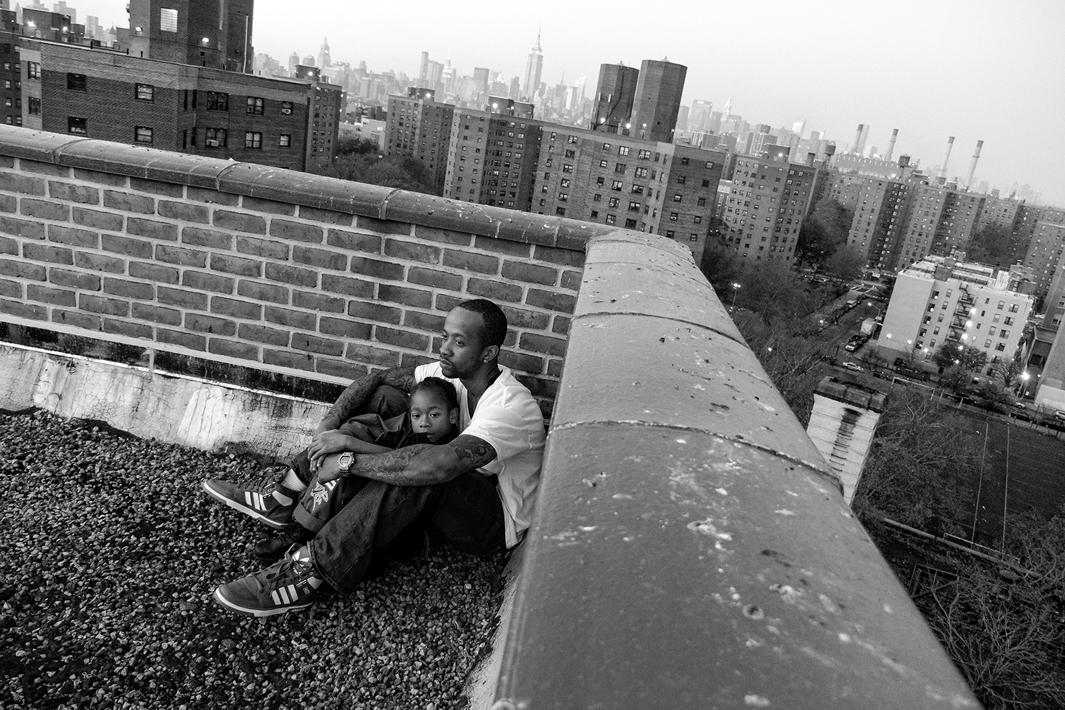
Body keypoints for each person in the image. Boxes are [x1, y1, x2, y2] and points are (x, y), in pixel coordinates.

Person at [202, 299, 546, 617]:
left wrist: (348, 460)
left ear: (488, 353)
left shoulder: (510, 405)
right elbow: (378, 379)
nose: (444, 348)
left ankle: (308, 572)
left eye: (459, 342)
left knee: (422, 471)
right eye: (444, 336)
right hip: (446, 490)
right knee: (388, 400)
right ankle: (287, 496)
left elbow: (437, 465)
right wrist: (330, 426)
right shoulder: (446, 374)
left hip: (491, 521)